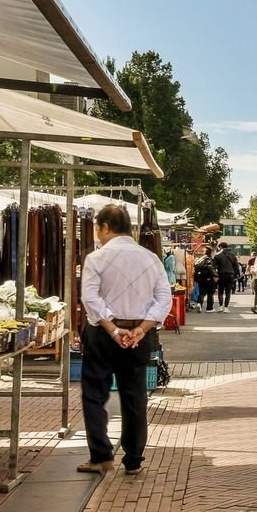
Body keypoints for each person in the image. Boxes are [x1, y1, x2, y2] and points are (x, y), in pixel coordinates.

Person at [77, 203, 172, 476]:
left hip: (102, 334)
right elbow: (163, 298)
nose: (96, 233)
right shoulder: (150, 257)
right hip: (139, 336)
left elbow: (90, 299)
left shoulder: (96, 258)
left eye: (96, 228)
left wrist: (113, 328)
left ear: (105, 227)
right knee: (134, 395)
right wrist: (142, 328)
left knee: (95, 394)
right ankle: (133, 458)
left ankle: (101, 455)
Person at [214, 241, 238, 312]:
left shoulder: (217, 255)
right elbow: (236, 267)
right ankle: (226, 307)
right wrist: (235, 276)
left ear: (220, 247)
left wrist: (215, 275)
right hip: (230, 275)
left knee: (220, 291)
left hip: (221, 274)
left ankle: (221, 306)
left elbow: (214, 266)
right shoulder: (232, 255)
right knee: (228, 292)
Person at [193, 247, 218, 312]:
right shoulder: (210, 259)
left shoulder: (200, 259)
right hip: (209, 278)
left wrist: (196, 278)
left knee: (201, 293)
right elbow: (210, 268)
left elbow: (195, 268)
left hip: (200, 278)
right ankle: (209, 308)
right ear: (211, 252)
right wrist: (215, 275)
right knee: (210, 293)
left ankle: (199, 304)